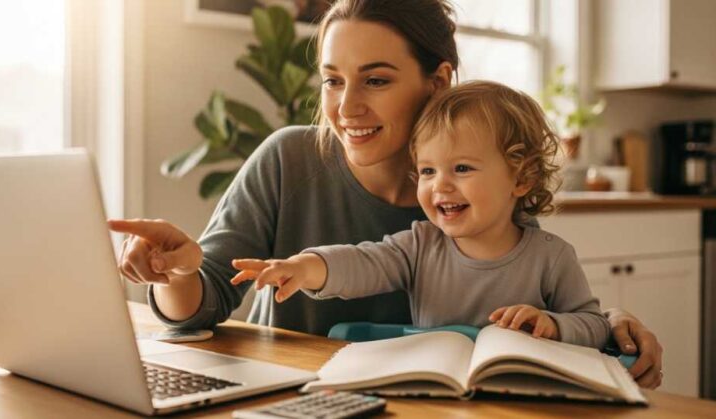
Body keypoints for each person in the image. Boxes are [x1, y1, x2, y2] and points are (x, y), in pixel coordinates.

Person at [108, 0, 663, 388]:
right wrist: (176, 274)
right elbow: (198, 308)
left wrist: (609, 326)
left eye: (376, 80)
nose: (347, 107)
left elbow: (538, 312)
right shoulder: (288, 158)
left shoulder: (484, 203)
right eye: (332, 79)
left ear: (438, 82)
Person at [231, 81, 610, 349]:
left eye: (462, 169)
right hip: (436, 396)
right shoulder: (419, 245)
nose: (439, 186)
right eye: (428, 171)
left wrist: (554, 325)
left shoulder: (551, 256)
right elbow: (362, 262)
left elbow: (593, 326)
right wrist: (304, 266)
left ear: (521, 177)